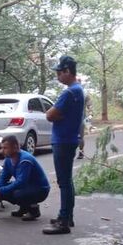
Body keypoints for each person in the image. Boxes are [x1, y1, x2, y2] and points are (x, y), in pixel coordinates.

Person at [43, 55, 84, 235]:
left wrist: (57, 116)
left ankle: (64, 221)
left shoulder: (69, 93)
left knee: (64, 182)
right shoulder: (78, 90)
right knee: (67, 180)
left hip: (63, 140)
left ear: (68, 71)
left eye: (60, 72)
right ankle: (67, 216)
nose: (58, 76)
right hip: (69, 139)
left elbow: (49, 115)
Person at [0, 135, 50, 221]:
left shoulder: (25, 160)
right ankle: (24, 208)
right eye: (2, 148)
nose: (2, 151)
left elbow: (21, 182)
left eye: (5, 148)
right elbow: (3, 178)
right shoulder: (8, 160)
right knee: (4, 190)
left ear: (15, 147)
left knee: (16, 193)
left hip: (40, 189)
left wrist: (0, 191)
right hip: (27, 187)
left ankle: (33, 210)